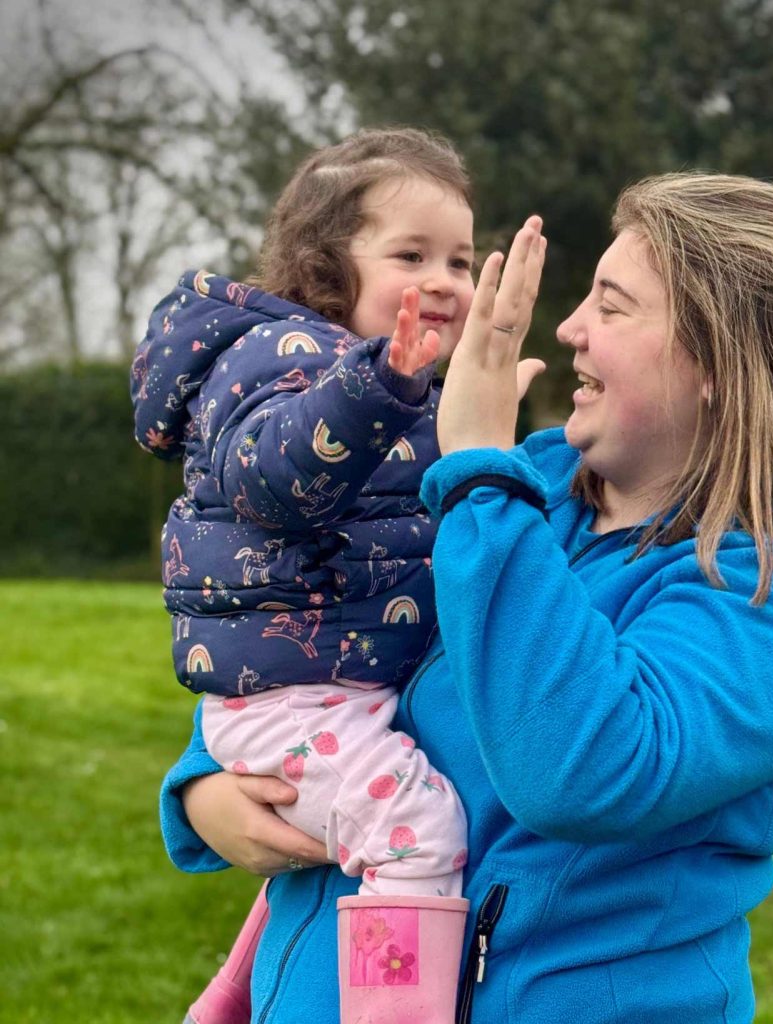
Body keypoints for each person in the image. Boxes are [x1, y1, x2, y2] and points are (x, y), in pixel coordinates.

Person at [163, 171, 773, 1023]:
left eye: (612, 305)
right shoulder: (530, 493)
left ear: (718, 366)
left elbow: (580, 772)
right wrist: (204, 789)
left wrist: (482, 475)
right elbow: (323, 632)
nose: (569, 329)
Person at [133, 127, 484, 1024]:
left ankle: (234, 995)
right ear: (327, 268)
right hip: (298, 699)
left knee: (359, 839)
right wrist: (380, 389)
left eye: (461, 258)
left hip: (332, 688)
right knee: (417, 835)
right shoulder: (284, 359)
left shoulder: (407, 391)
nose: (445, 279)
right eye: (412, 254)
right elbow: (274, 483)